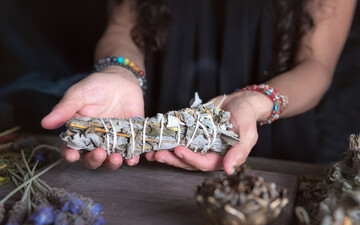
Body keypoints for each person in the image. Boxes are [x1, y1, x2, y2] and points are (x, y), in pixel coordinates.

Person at [40, 0, 356, 174]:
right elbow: (123, 27)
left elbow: (317, 65)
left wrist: (254, 102)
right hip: (152, 131)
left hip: (272, 139)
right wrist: (120, 72)